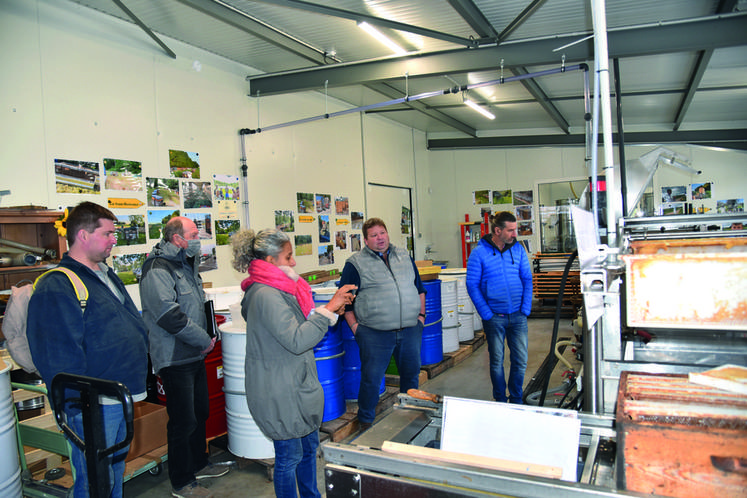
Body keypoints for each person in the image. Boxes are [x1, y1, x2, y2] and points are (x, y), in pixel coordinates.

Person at [27, 201, 149, 498]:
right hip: (92, 406)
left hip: (118, 396)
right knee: (94, 481)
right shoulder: (58, 285)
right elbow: (56, 356)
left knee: (113, 472)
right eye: (107, 233)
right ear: (83, 235)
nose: (114, 239)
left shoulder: (105, 274)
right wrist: (78, 407)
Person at [231, 228, 355, 498]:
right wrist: (328, 309)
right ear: (271, 260)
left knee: (309, 449)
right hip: (280, 390)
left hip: (295, 384)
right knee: (289, 457)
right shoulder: (266, 295)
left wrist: (329, 310)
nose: (294, 263)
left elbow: (298, 327)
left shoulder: (282, 290)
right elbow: (298, 340)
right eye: (289, 257)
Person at [140, 216, 229, 498]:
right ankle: (182, 481)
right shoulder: (157, 268)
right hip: (175, 355)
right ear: (177, 238)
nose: (198, 238)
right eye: (193, 234)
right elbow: (168, 315)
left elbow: (195, 304)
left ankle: (199, 463)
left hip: (194, 353)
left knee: (200, 412)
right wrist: (204, 340)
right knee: (182, 420)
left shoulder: (185, 263)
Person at [338, 218, 426, 429]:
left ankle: (409, 416)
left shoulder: (404, 256)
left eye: (382, 233)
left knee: (411, 375)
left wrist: (421, 317)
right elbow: (344, 299)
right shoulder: (355, 263)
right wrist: (356, 328)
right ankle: (366, 422)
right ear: (366, 240)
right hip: (375, 334)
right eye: (374, 235)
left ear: (388, 234)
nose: (380, 238)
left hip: (410, 330)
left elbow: (419, 288)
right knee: (371, 380)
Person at [466, 211, 533, 404]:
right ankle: (500, 400)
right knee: (496, 362)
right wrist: (486, 313)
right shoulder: (479, 253)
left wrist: (525, 308)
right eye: (511, 230)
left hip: (518, 316)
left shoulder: (518, 249)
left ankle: (516, 398)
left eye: (516, 229)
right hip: (495, 317)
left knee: (520, 361)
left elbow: (527, 278)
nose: (515, 234)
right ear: (497, 230)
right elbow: (472, 285)